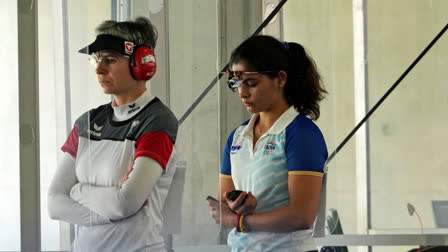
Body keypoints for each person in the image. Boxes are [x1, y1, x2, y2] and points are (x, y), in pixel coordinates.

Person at [48, 17, 178, 252]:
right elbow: (54, 203)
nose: (99, 69)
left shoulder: (158, 120)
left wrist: (77, 191)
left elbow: (125, 204)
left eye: (110, 59)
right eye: (96, 59)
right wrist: (104, 214)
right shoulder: (87, 122)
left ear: (141, 63)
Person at [206, 35, 328, 252]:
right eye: (236, 83)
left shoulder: (301, 134)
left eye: (251, 83)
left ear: (280, 79)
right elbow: (222, 206)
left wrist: (240, 221)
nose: (242, 92)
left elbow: (301, 216)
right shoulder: (237, 137)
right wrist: (237, 205)